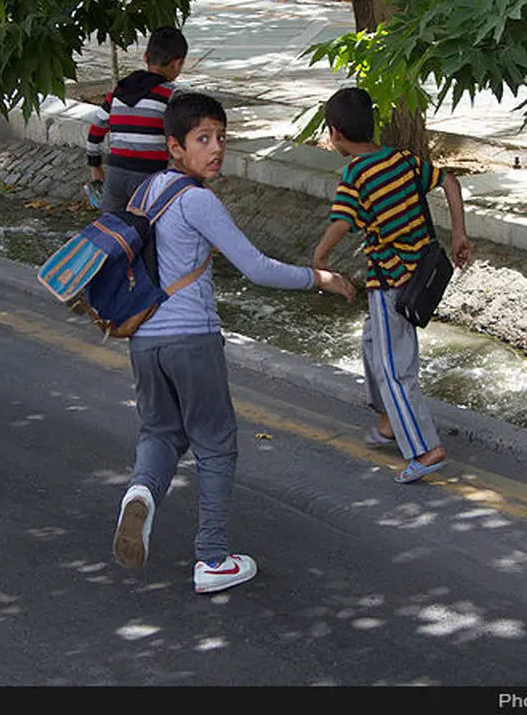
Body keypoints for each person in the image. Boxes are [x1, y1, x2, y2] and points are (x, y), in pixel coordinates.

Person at [111, 92, 356, 594]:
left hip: (143, 340)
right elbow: (255, 267)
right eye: (203, 139)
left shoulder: (147, 190)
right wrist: (319, 279)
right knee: (216, 445)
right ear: (175, 146)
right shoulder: (198, 200)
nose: (217, 148)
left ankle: (140, 495)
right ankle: (212, 558)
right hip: (191, 339)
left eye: (221, 137)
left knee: (160, 434)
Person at [312, 87, 473, 484]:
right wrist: (458, 236)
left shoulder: (355, 173)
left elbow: (342, 222)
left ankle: (424, 448)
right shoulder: (400, 159)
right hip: (421, 273)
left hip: (391, 283)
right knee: (372, 345)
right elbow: (449, 182)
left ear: (335, 133)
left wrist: (319, 260)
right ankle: (387, 420)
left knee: (394, 368)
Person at [86, 26, 188, 215]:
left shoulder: (119, 91)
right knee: (148, 232)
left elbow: (96, 128)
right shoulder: (171, 95)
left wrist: (95, 167)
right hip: (149, 177)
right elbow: (182, 137)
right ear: (177, 63)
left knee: (112, 232)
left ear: (145, 57)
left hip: (115, 174)